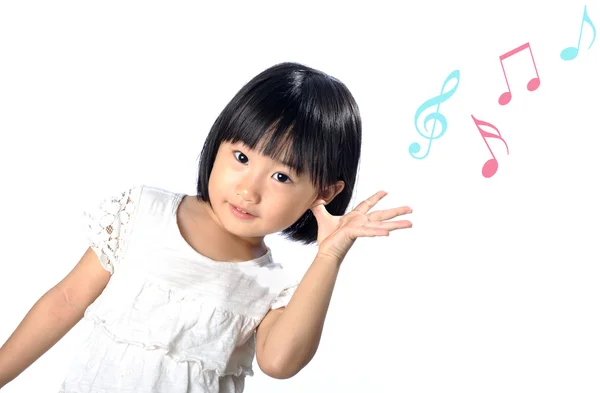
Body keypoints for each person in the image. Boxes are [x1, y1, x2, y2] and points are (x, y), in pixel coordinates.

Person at [0, 62, 413, 392]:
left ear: (322, 194)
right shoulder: (144, 212)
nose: (248, 190)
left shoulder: (270, 288)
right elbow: (67, 299)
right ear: (219, 143)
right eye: (241, 157)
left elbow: (280, 362)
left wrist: (329, 256)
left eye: (282, 177)